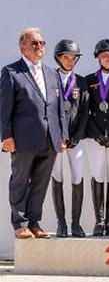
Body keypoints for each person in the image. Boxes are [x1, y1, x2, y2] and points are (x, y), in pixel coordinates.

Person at [1, 27, 67, 239]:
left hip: (50, 140)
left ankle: (34, 222)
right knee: (20, 181)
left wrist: (62, 136)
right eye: (34, 43)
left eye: (42, 43)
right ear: (23, 48)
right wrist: (6, 136)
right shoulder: (11, 72)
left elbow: (59, 108)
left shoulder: (51, 72)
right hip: (23, 140)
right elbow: (3, 109)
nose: (39, 47)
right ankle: (20, 223)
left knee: (40, 183)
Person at [85, 39, 109, 236]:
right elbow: (85, 112)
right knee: (98, 175)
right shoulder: (88, 80)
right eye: (104, 55)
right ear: (98, 57)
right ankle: (99, 221)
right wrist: (97, 135)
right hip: (95, 137)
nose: (108, 58)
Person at [51, 39, 89, 238]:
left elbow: (84, 112)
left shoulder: (81, 82)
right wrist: (58, 137)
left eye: (73, 57)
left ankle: (76, 223)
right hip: (56, 141)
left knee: (77, 177)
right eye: (66, 57)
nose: (69, 61)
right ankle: (61, 223)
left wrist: (76, 136)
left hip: (75, 139)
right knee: (58, 177)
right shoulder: (49, 78)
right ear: (58, 58)